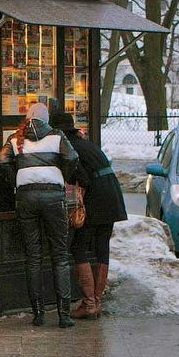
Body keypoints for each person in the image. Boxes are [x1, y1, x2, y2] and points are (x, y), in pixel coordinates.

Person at [0, 103, 79, 328]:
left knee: (33, 256)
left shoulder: (16, 138)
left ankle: (39, 313)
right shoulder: (56, 136)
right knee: (60, 255)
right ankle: (64, 315)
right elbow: (72, 158)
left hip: (26, 198)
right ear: (46, 119)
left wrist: (17, 179)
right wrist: (61, 176)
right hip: (53, 197)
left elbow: (1, 160)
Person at [50, 113, 127, 320]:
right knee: (102, 247)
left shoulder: (69, 148)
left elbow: (83, 177)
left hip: (97, 198)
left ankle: (89, 303)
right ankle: (97, 301)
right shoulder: (85, 143)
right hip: (111, 194)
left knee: (78, 246)